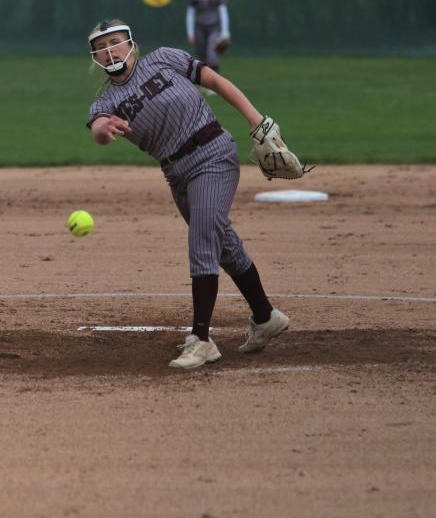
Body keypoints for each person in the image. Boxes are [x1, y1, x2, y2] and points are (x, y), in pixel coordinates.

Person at [85, 19, 290, 370]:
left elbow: (215, 81)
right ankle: (266, 316)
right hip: (176, 174)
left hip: (213, 154)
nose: (110, 50)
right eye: (102, 47)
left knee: (201, 242)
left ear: (131, 43)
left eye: (116, 42)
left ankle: (201, 339)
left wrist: (258, 123)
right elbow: (99, 132)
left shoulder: (164, 59)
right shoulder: (106, 102)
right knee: (223, 245)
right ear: (95, 56)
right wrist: (102, 128)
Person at [186, 0, 230, 72]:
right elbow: (190, 14)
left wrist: (225, 32)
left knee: (212, 55)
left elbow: (223, 12)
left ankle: (214, 83)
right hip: (200, 28)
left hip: (214, 27)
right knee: (201, 56)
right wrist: (190, 33)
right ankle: (204, 82)